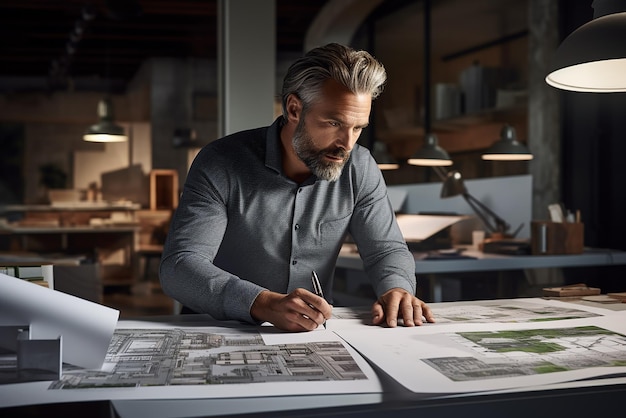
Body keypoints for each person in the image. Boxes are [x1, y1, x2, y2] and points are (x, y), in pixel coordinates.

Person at [160, 43, 435, 332]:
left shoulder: (360, 167)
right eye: (333, 123)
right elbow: (179, 266)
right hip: (213, 329)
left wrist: (397, 288)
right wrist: (261, 303)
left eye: (358, 128)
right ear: (294, 109)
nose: (347, 144)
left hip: (311, 334)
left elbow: (385, 250)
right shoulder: (220, 162)